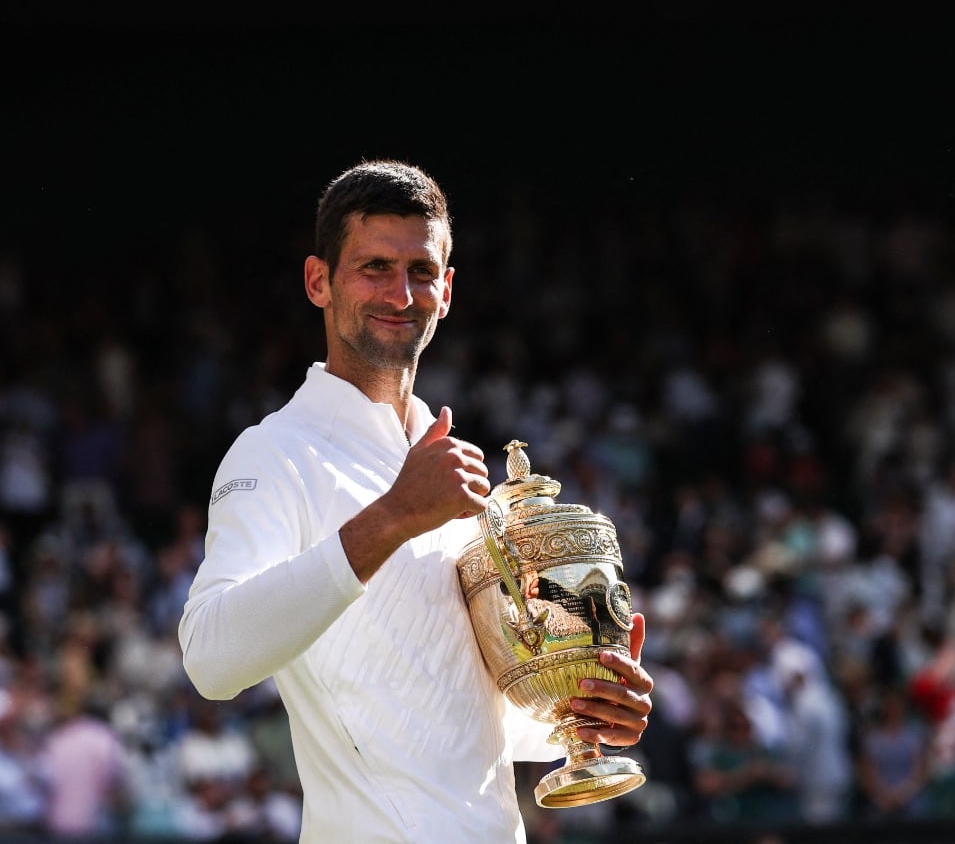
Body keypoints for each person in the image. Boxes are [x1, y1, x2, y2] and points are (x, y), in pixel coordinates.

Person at [178, 159, 654, 843]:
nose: (401, 293)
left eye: (421, 271)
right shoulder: (275, 453)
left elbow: (465, 720)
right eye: (374, 266)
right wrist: (395, 515)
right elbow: (211, 658)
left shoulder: (445, 464)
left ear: (448, 288)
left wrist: (580, 708)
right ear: (319, 281)